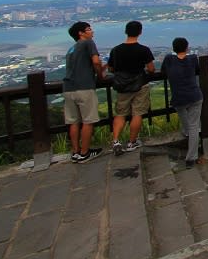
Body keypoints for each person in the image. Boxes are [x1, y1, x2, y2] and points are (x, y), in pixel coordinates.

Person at [108, 20, 156, 155]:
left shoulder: (116, 50)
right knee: (137, 113)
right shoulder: (143, 49)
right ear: (140, 32)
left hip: (122, 86)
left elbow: (111, 68)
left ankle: (116, 141)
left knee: (120, 113)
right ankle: (131, 142)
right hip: (139, 84)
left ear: (126, 32)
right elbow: (151, 69)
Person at [63, 21, 104, 163]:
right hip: (84, 87)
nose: (92, 32)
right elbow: (96, 61)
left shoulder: (71, 49)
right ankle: (85, 153)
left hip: (68, 88)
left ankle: (76, 152)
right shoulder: (88, 43)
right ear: (81, 33)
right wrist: (100, 75)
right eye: (89, 29)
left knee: (73, 121)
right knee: (88, 120)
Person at [160, 37, 204, 167]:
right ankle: (191, 158)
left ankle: (186, 133)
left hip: (178, 98)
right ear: (187, 47)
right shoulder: (193, 58)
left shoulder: (169, 59)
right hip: (195, 96)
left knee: (189, 126)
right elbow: (198, 71)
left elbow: (163, 70)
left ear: (174, 48)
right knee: (194, 127)